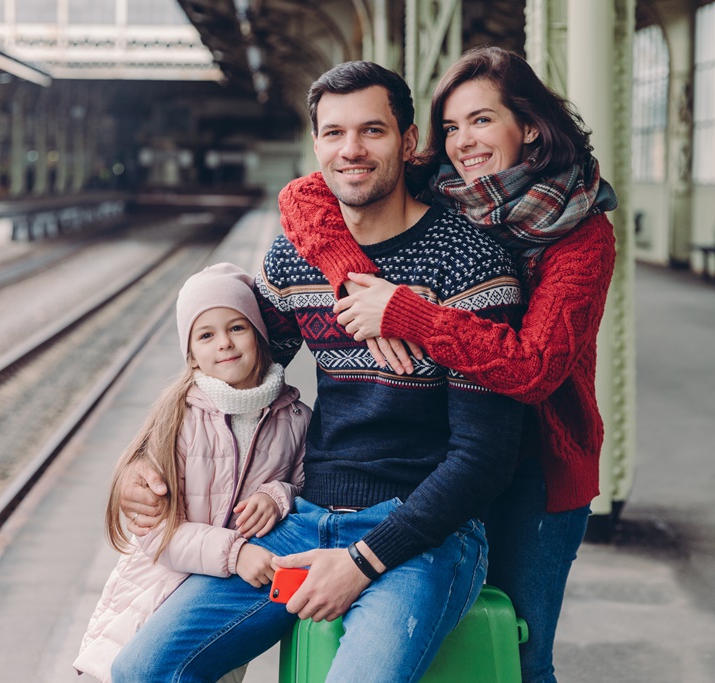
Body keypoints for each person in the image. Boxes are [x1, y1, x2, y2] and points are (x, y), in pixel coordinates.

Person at [111, 61, 525, 682]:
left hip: (427, 533)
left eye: (372, 131)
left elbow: (483, 457)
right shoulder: (296, 257)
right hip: (305, 517)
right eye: (333, 133)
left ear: (409, 142)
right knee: (143, 671)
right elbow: (231, 372)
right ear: (315, 145)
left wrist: (361, 562)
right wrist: (144, 457)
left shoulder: (469, 262)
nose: (350, 150)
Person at [277, 46, 619, 683]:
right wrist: (349, 279)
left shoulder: (581, 232)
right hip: (446, 460)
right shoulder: (444, 185)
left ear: (532, 127)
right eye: (452, 126)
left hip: (536, 469)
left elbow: (534, 369)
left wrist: (405, 314)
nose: (464, 142)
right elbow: (305, 196)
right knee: (435, 646)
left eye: (483, 121)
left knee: (518, 651)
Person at [72, 263, 310, 683]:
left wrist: (278, 495)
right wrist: (235, 553)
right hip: (155, 595)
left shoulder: (295, 419)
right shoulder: (177, 419)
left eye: (237, 327)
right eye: (206, 334)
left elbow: (308, 489)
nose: (224, 344)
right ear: (190, 353)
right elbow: (154, 532)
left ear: (259, 334)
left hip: (226, 602)